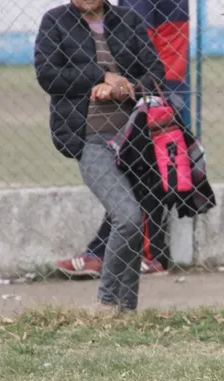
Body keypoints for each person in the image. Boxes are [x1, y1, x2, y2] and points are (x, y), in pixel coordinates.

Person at [35, 0, 165, 311]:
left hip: (135, 139)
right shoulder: (55, 22)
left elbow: (155, 72)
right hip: (90, 138)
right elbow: (48, 75)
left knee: (132, 222)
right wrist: (101, 78)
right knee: (129, 217)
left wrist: (128, 88)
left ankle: (126, 309)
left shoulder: (128, 20)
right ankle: (107, 301)